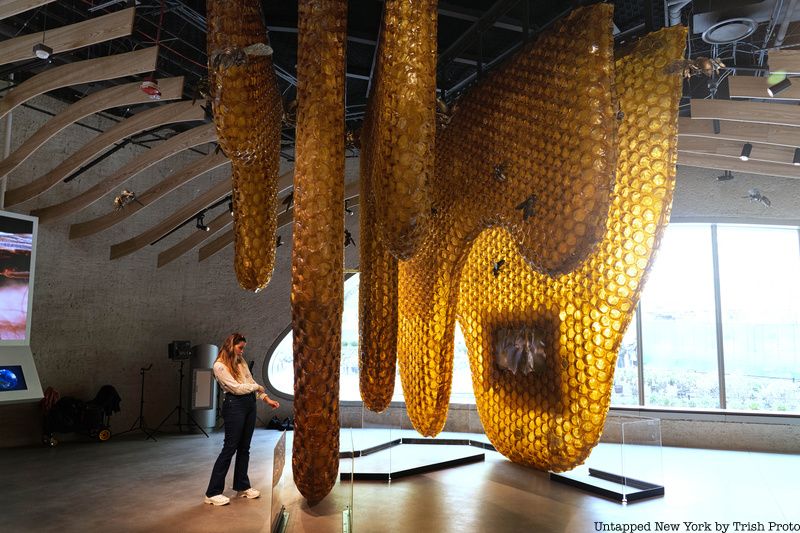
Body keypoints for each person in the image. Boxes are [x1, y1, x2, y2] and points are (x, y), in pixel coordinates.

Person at [204, 333, 280, 506]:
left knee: (244, 448)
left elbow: (249, 381)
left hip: (249, 404)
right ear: (231, 345)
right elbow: (236, 389)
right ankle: (212, 492)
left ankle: (242, 486)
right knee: (230, 448)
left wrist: (265, 398)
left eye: (243, 348)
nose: (243, 351)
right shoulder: (219, 366)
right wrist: (257, 387)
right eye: (240, 347)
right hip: (234, 405)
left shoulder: (240, 361)